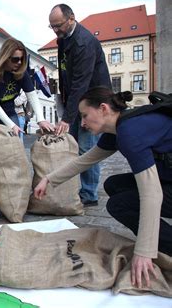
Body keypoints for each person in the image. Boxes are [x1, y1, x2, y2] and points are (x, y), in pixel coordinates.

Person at [34, 87, 172, 289]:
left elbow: (151, 194)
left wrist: (144, 251)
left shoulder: (130, 132)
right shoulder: (119, 126)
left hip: (165, 183)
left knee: (118, 205)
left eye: (84, 115)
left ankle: (165, 244)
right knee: (113, 185)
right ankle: (158, 235)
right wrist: (49, 179)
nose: (82, 123)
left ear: (103, 109)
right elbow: (86, 160)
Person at [49, 4, 112, 207]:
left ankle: (90, 194)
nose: (56, 30)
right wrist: (66, 103)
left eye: (58, 25)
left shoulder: (84, 42)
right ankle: (78, 188)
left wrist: (67, 118)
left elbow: (81, 82)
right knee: (74, 146)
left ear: (71, 18)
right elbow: (65, 74)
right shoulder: (63, 39)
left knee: (86, 148)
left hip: (93, 102)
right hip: (77, 101)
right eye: (52, 27)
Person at [0, 38, 54, 135]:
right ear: (5, 57)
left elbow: (32, 96)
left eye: (22, 59)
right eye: (15, 59)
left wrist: (41, 119)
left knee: (15, 144)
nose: (19, 62)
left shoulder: (22, 73)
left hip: (9, 112)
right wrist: (11, 125)